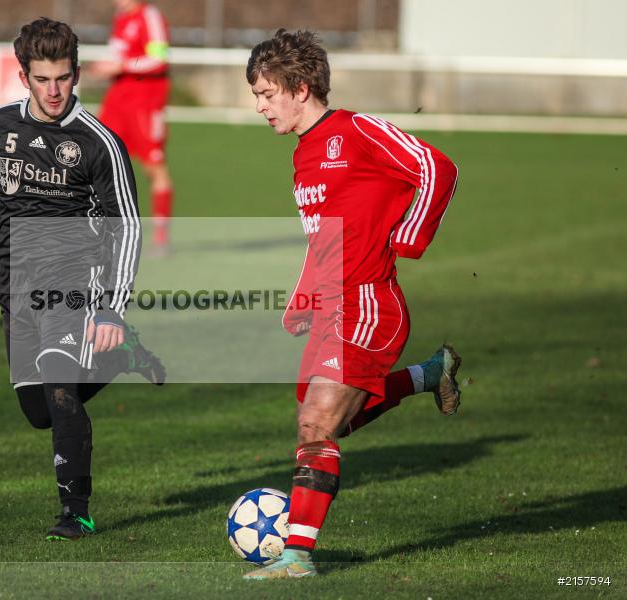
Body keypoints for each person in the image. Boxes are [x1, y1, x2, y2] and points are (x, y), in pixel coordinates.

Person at [0, 18, 164, 541]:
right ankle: (121, 358)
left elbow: (126, 228)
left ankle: (75, 511)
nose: (54, 92)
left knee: (59, 389)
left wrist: (110, 307)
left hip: (75, 279)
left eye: (63, 79)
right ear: (23, 76)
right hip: (16, 281)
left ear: (76, 74)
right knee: (38, 411)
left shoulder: (99, 143)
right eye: (42, 80)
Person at [243, 30, 463, 579]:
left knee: (316, 422)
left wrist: (409, 236)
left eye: (267, 93)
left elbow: (437, 167)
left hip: (368, 303)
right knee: (333, 425)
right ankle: (429, 374)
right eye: (257, 95)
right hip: (330, 307)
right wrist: (302, 296)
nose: (260, 106)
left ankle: (296, 558)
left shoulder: (357, 130)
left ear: (299, 87)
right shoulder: (301, 158)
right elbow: (323, 237)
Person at [90, 0, 174, 254]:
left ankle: (160, 238)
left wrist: (122, 66)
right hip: (117, 100)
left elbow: (159, 59)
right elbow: (120, 56)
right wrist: (107, 67)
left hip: (144, 104)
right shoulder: (120, 17)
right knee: (96, 161)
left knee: (153, 168)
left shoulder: (149, 16)